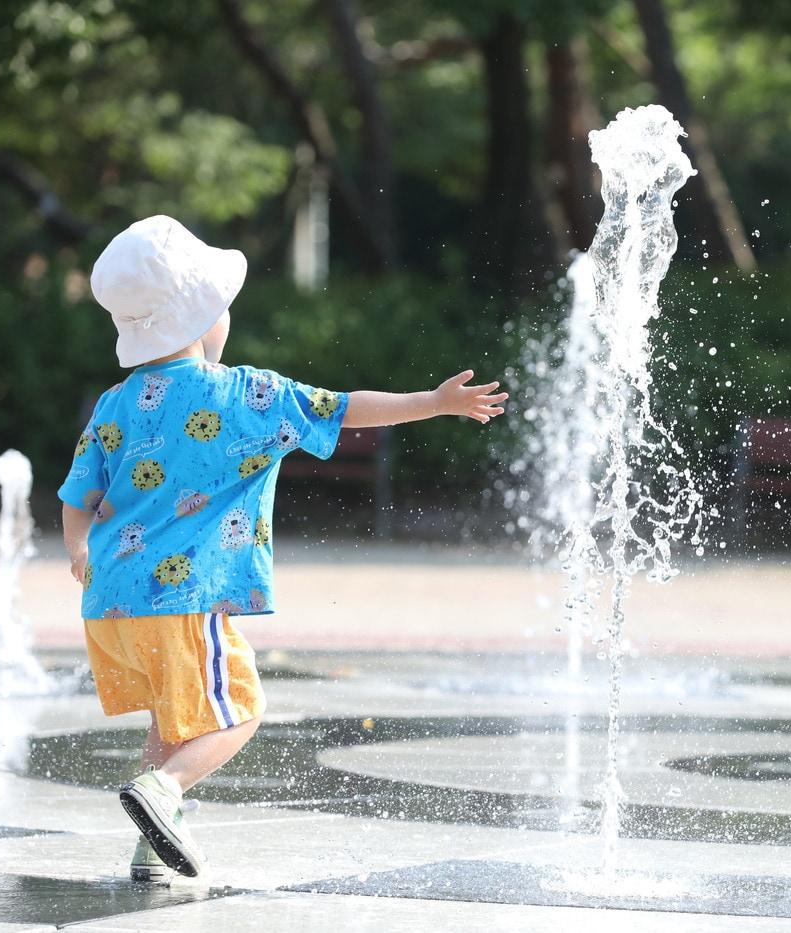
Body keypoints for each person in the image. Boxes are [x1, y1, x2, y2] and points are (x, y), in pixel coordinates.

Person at [58, 215, 506, 882]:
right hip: (183, 596)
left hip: (109, 603)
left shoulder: (116, 402)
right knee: (239, 711)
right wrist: (433, 402)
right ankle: (163, 791)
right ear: (202, 320)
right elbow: (344, 407)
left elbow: (77, 493)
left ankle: (153, 841)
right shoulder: (242, 394)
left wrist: (76, 551)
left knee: (174, 716)